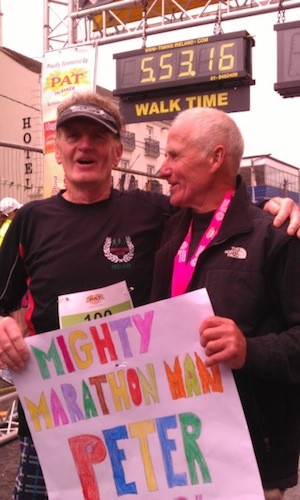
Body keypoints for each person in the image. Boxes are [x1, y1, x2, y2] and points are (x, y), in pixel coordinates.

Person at [0, 92, 298, 499]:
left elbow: (220, 208)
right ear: (58, 147)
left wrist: (274, 207)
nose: (84, 145)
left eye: (97, 137)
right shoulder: (30, 221)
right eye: (72, 136)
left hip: (145, 420)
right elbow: (3, 305)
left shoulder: (155, 212)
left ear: (116, 151)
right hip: (59, 418)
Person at [150, 107, 300, 500]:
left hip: (250, 461)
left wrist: (250, 350)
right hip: (176, 452)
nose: (162, 169)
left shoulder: (276, 235)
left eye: (174, 155)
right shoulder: (166, 229)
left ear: (216, 158)